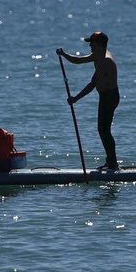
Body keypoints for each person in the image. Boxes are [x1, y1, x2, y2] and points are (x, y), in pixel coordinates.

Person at [58, 31, 120, 171]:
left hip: (110, 96)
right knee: (103, 130)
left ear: (99, 44)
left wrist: (75, 99)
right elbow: (78, 60)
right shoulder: (98, 55)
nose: (90, 45)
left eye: (92, 43)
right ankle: (111, 161)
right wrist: (64, 54)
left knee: (104, 130)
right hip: (105, 96)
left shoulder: (105, 60)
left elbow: (92, 84)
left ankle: (113, 164)